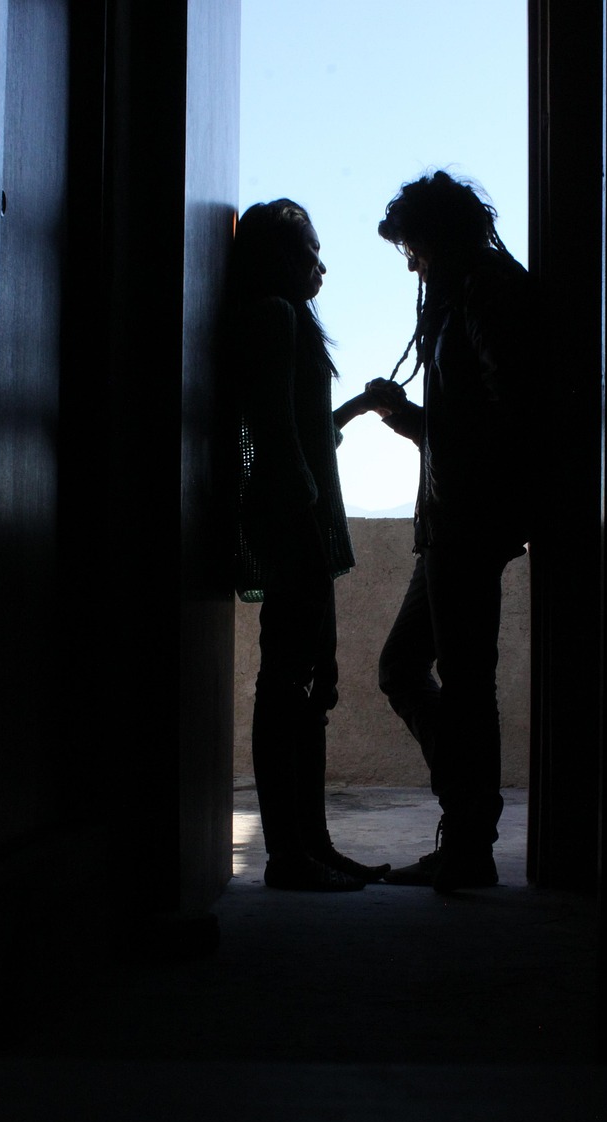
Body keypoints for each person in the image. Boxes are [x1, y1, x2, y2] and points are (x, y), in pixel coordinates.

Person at [364, 171, 540, 893]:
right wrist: (407, 417)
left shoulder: (482, 291)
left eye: (413, 248)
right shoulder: (473, 292)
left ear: (435, 238)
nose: (411, 264)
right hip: (453, 518)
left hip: (465, 520)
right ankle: (467, 822)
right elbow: (470, 423)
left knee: (457, 681)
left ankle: (468, 837)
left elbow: (510, 415)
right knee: (417, 672)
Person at [231, 198, 389, 890]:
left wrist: (354, 409)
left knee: (307, 687)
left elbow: (301, 430)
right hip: (293, 523)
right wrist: (305, 526)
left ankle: (310, 846)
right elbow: (277, 436)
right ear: (280, 257)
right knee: (291, 686)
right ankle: (291, 854)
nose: (320, 266)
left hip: (294, 520)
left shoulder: (280, 316)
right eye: (310, 252)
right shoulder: (276, 314)